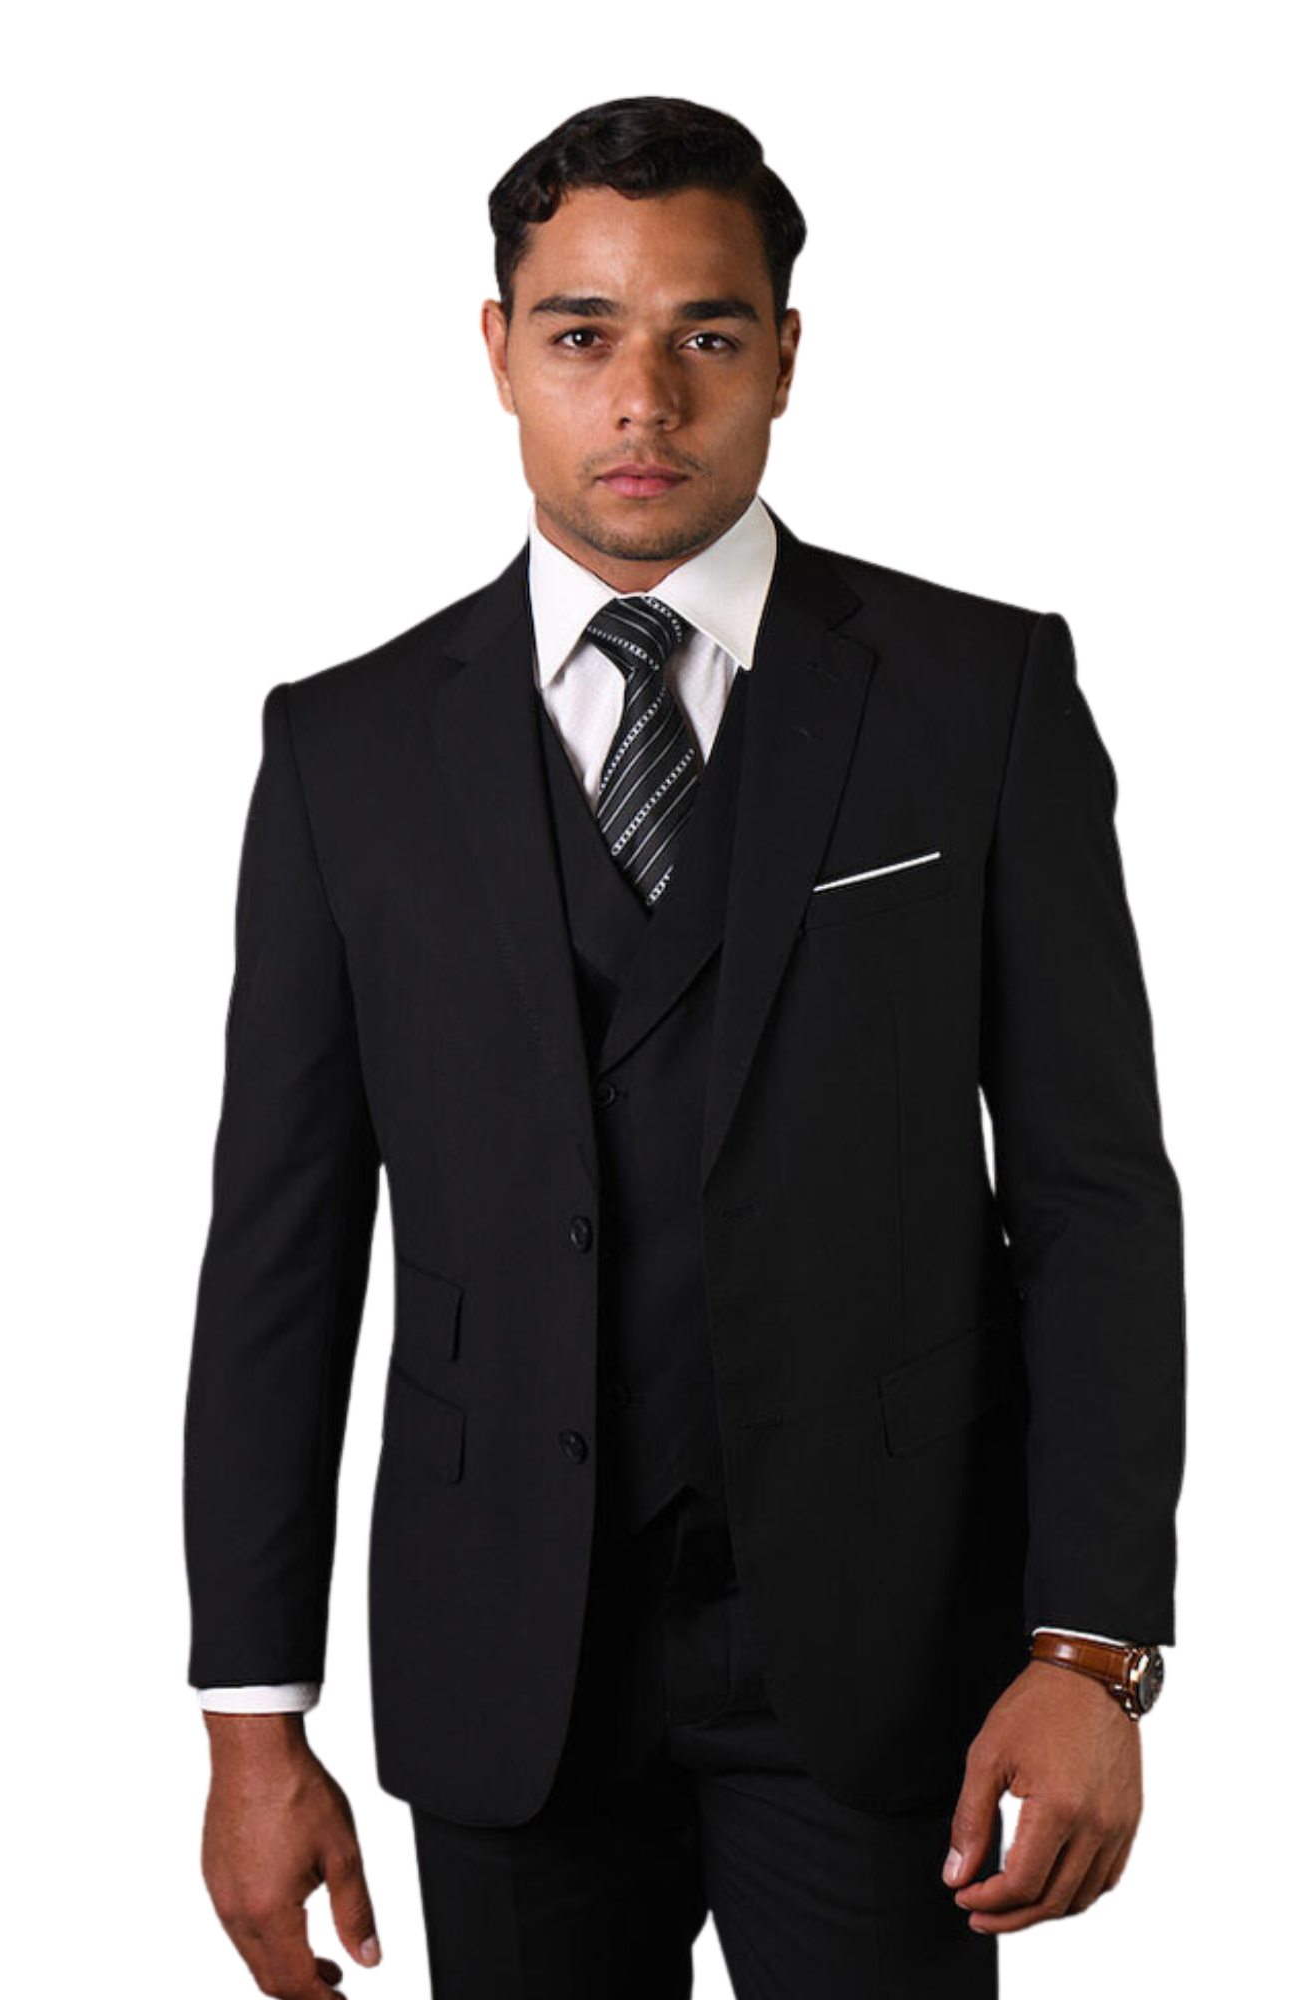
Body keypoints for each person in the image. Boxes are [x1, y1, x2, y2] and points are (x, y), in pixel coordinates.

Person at [183, 95, 1185, 2000]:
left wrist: (1091, 1648)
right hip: (507, 1653)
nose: (643, 399)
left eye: (705, 334)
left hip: (892, 1649)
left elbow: (1093, 1195)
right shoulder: (344, 750)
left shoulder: (979, 695)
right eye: (583, 334)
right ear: (499, 352)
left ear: (785, 355)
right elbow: (280, 1253)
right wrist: (251, 1717)